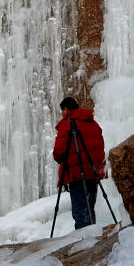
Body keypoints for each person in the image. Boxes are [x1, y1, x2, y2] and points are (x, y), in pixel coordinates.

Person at [52, 96, 107, 229]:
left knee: (80, 210)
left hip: (76, 172)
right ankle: (93, 235)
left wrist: (60, 159)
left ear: (66, 109)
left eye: (62, 110)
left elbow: (59, 151)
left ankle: (84, 239)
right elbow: (99, 144)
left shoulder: (67, 123)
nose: (61, 114)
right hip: (94, 171)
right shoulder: (93, 123)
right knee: (89, 207)